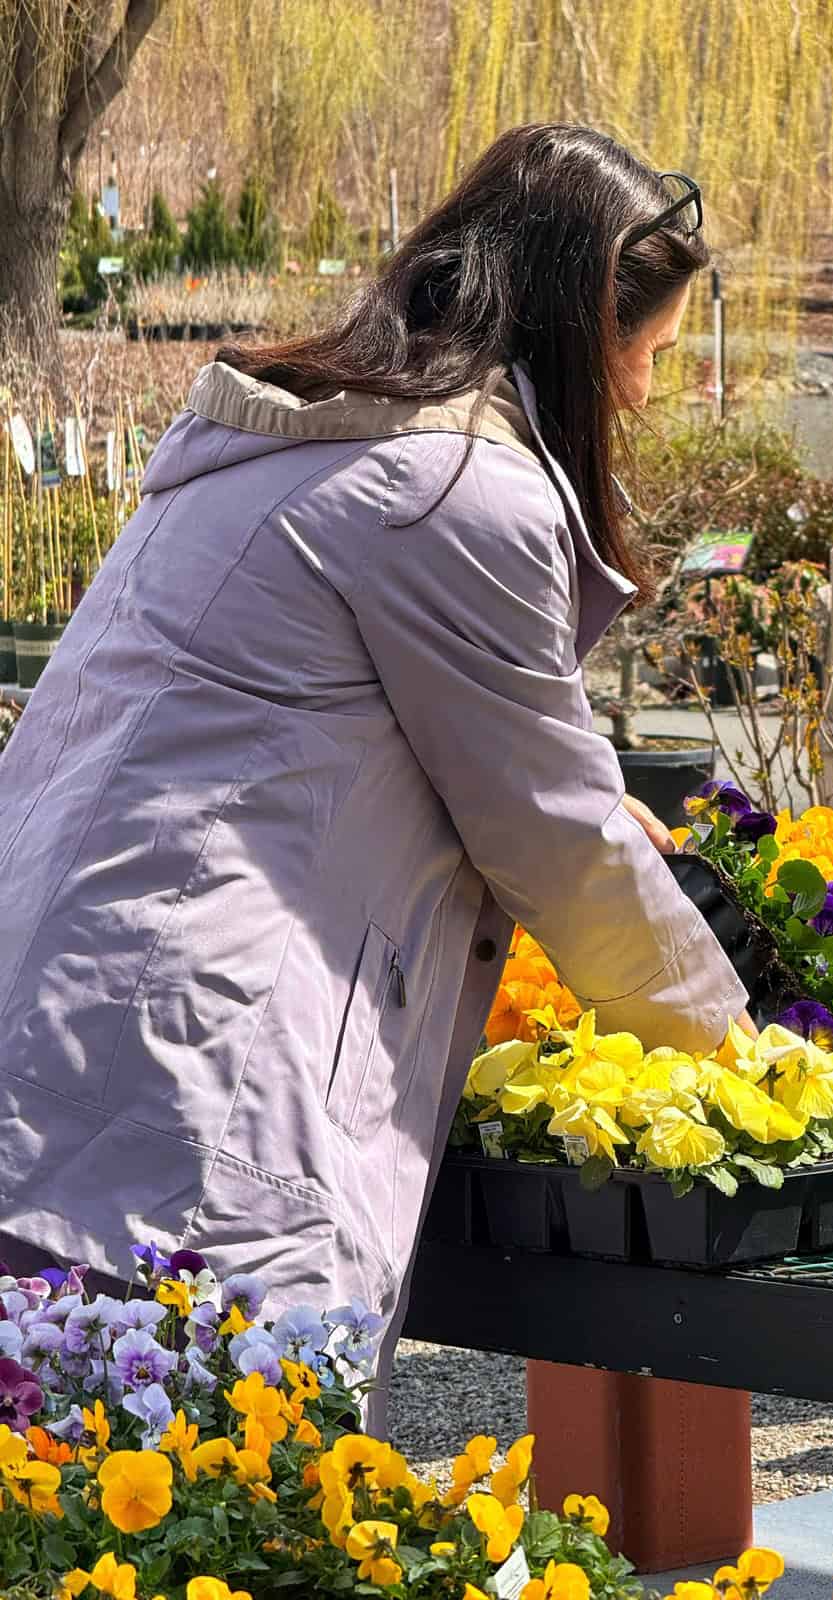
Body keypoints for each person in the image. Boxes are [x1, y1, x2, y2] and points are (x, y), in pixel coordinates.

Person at [0, 124, 752, 1428]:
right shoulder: (452, 492)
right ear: (579, 334)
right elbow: (556, 839)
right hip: (194, 1100)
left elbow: (323, 743)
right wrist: (745, 1060)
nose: (642, 393)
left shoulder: (296, 437)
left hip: (66, 1042)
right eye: (648, 353)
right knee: (223, 1516)